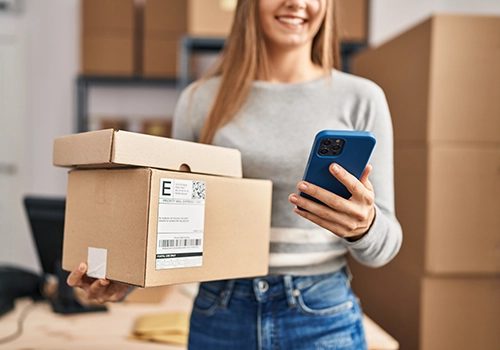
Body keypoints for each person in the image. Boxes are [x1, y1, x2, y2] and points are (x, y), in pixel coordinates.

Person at [68, 0, 402, 349]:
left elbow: (386, 245)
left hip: (321, 312)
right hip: (220, 310)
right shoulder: (199, 100)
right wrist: (126, 278)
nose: (298, 3)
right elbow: (167, 221)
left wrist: (364, 226)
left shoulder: (363, 99)